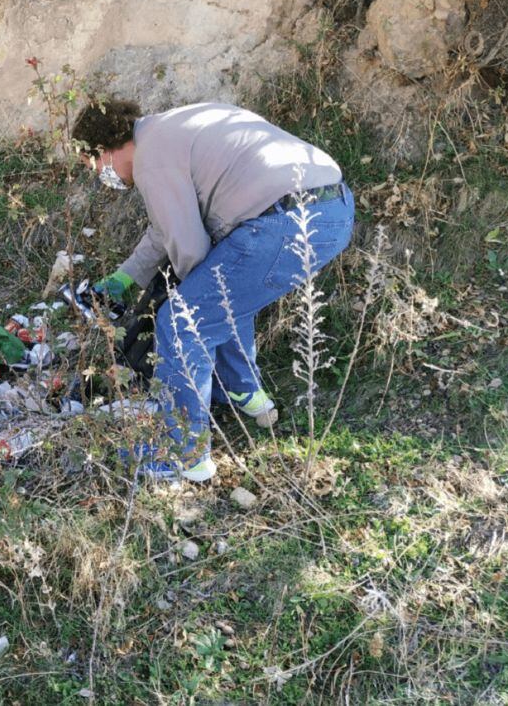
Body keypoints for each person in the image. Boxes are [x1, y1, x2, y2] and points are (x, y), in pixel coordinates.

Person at [73, 100, 354, 482]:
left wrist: (186, 300)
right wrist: (125, 277)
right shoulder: (171, 129)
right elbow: (163, 229)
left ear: (106, 148)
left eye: (95, 166)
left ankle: (185, 456)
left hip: (282, 223)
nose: (101, 175)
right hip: (332, 210)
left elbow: (188, 248)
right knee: (223, 298)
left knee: (182, 321)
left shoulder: (151, 159)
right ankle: (245, 394)